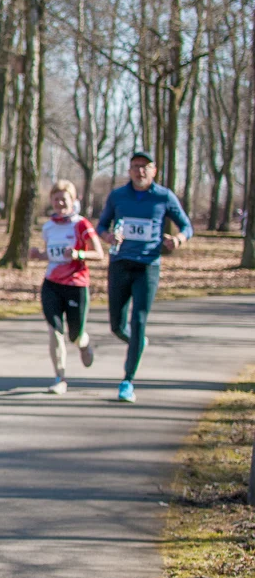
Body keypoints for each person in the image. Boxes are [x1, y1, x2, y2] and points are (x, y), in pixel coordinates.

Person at [96, 151, 193, 403]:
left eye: (145, 167)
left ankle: (127, 380)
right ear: (129, 170)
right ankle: (137, 342)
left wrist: (178, 240)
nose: (140, 171)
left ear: (154, 171)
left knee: (138, 320)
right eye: (135, 166)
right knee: (117, 326)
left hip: (148, 266)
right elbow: (101, 225)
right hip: (120, 264)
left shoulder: (164, 197)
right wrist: (108, 237)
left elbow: (187, 226)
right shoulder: (117, 196)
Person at [28, 180, 104, 394]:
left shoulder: (81, 225)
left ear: (73, 200)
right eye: (56, 199)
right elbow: (51, 254)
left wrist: (79, 254)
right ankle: (60, 378)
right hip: (52, 284)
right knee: (55, 331)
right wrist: (39, 255)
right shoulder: (49, 227)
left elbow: (99, 254)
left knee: (75, 334)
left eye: (64, 199)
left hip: (76, 284)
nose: (60, 203)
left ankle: (83, 343)